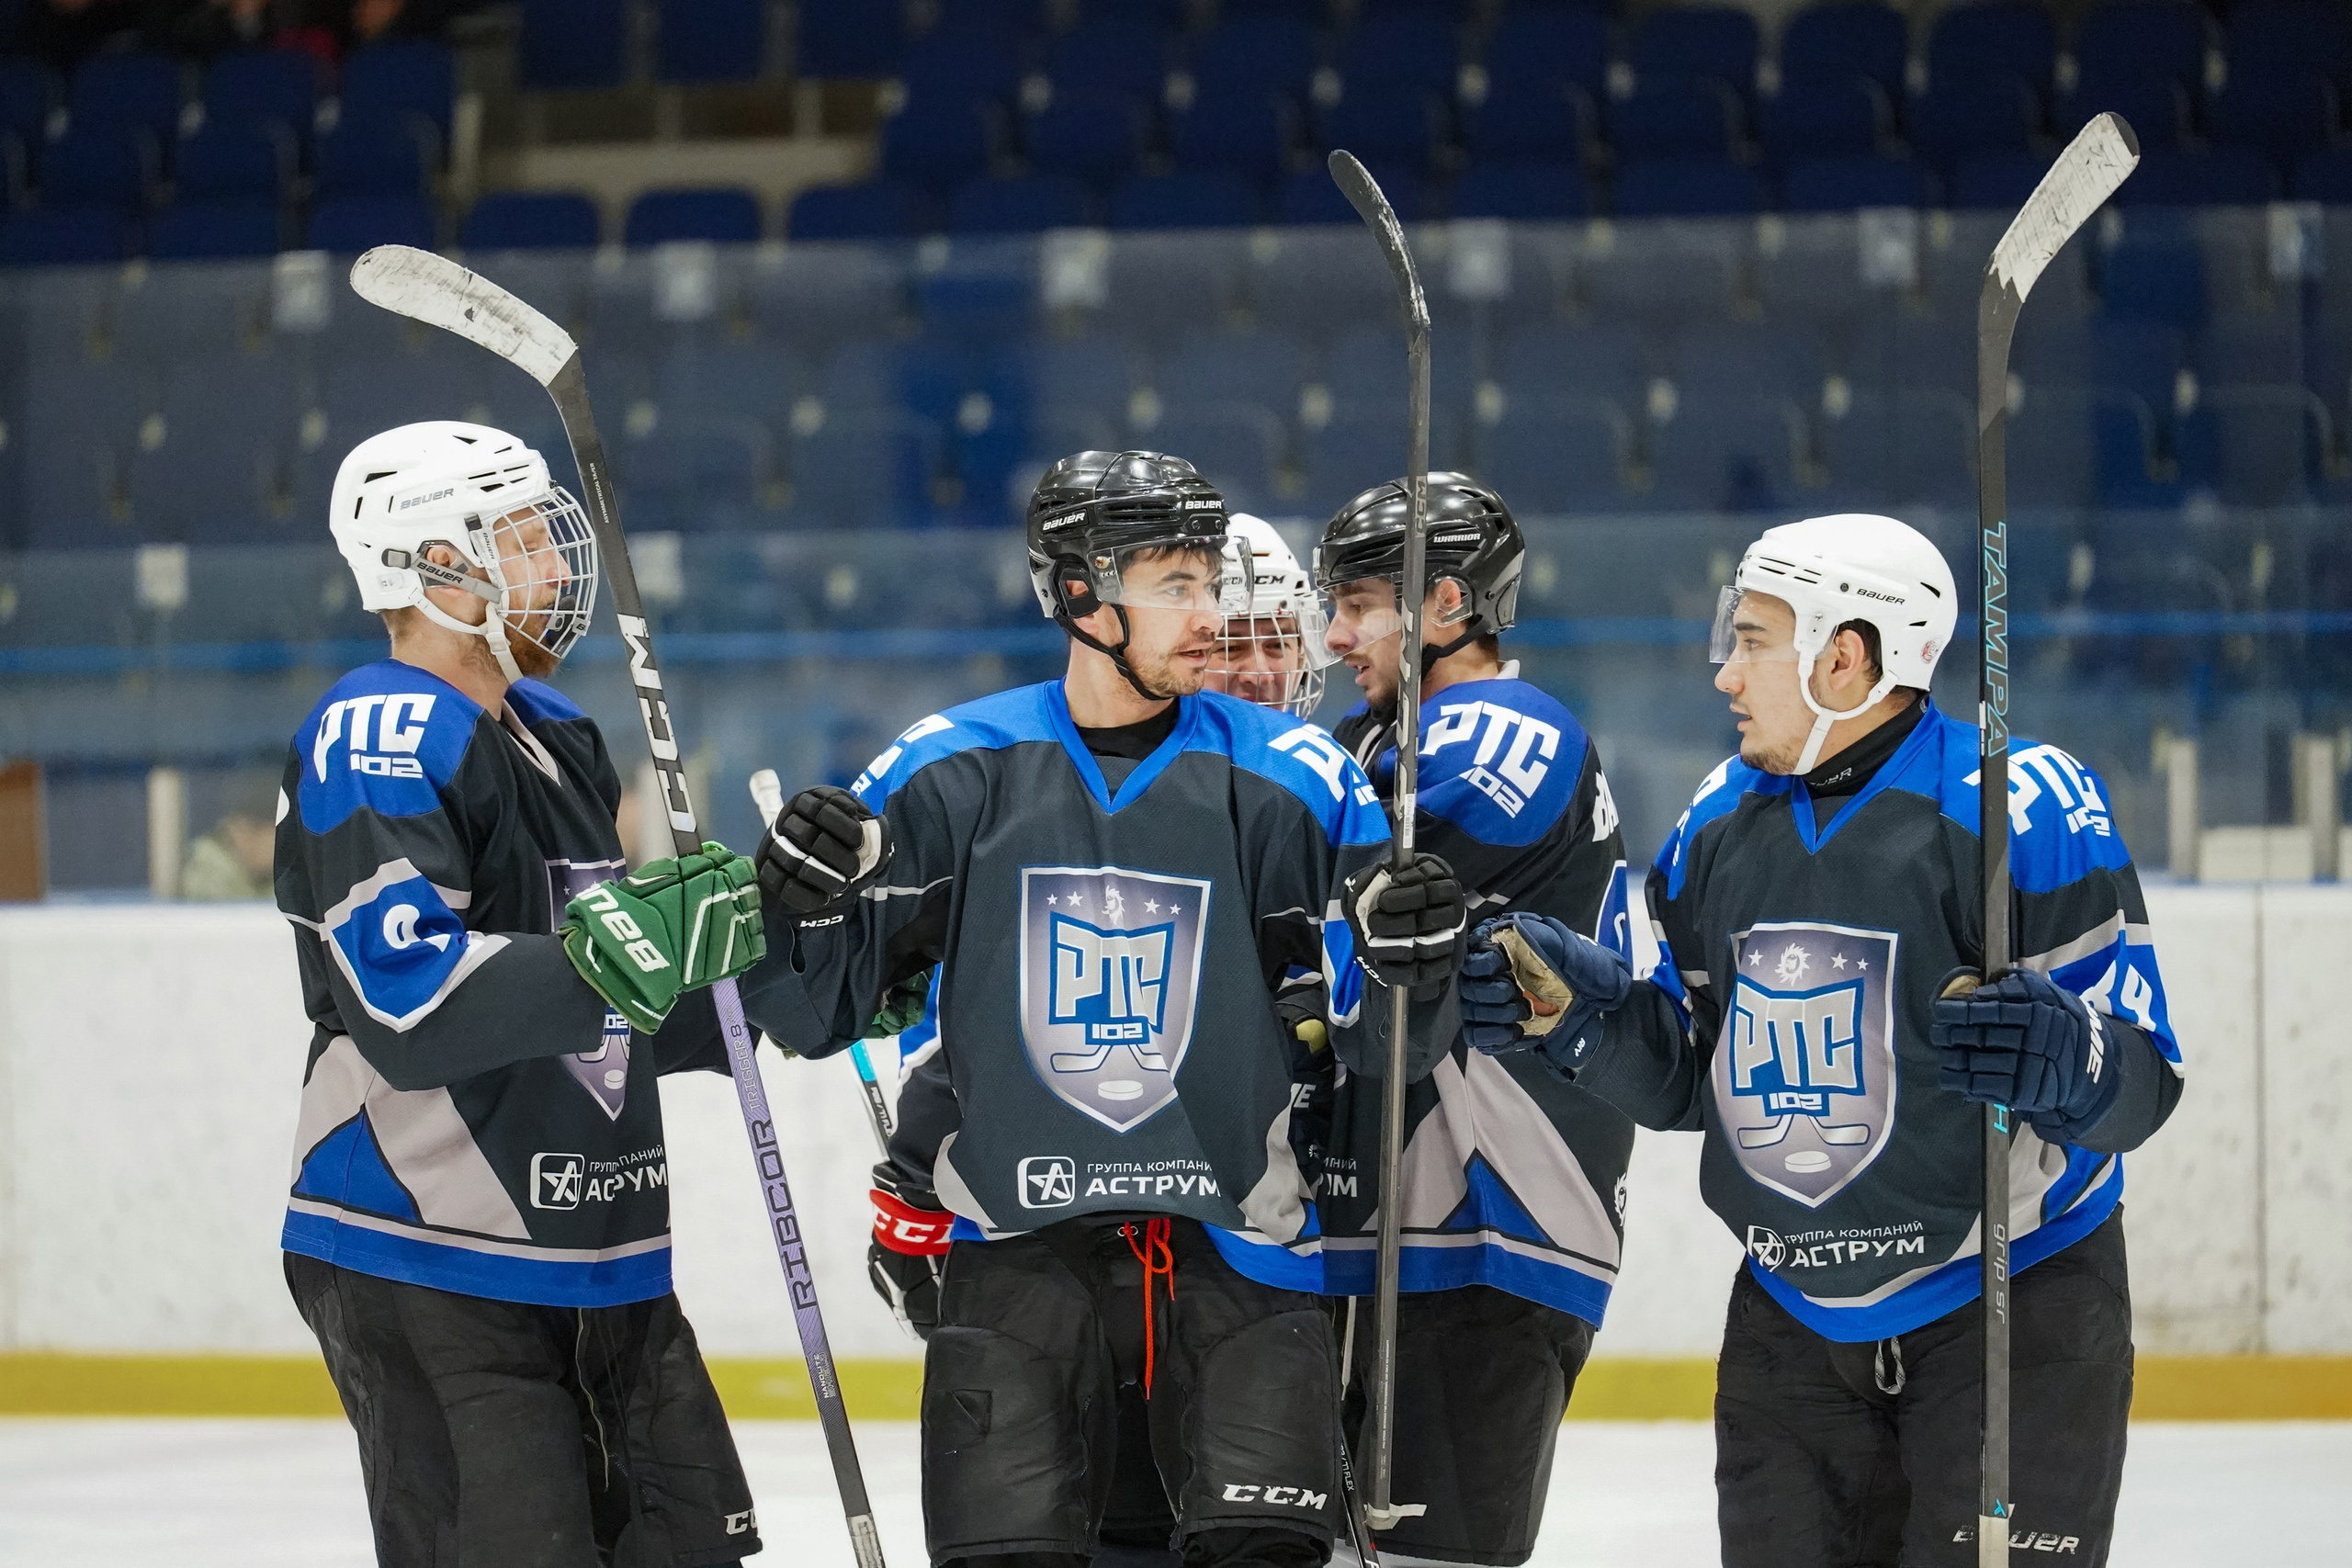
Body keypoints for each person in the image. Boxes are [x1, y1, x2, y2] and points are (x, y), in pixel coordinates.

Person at [740, 450, 1466, 1568]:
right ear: (1080, 593)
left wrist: (1413, 961)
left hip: (1244, 1262)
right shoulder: (948, 770)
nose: (1207, 613)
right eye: (1174, 583)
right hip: (1015, 1267)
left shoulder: (1297, 776)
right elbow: (811, 1016)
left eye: (1207, 580)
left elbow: (1387, 1046)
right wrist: (796, 907)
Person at [1458, 513, 2184, 1567]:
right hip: (1789, 1321)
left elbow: (2144, 1080)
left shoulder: (2021, 804)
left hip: (2012, 1306)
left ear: (1845, 657)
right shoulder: (1715, 822)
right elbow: (1690, 1079)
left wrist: (2069, 1059)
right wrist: (1583, 1021)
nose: (1724, 673)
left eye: (1751, 640)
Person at [275, 421, 768, 1568]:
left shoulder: (554, 733)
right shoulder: (380, 731)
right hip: (432, 1244)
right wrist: (628, 950)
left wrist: (791, 966)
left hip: (600, 1248)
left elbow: (611, 1000)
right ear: (434, 567)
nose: (557, 563)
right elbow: (412, 1008)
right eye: (524, 538)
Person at [860, 513, 1340, 1568]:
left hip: (1251, 1266)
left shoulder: (1314, 798)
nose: (1246, 662)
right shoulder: (1029, 784)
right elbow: (991, 1026)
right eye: (1223, 622)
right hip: (1055, 1257)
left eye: (1272, 640)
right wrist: (910, 1184)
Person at [1310, 474, 1636, 1568]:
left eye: (1357, 602)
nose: (1334, 632)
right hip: (1417, 1224)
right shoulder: (1381, 737)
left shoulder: (1501, 727)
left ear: (1445, 605)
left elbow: (1334, 936)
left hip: (1490, 1221)